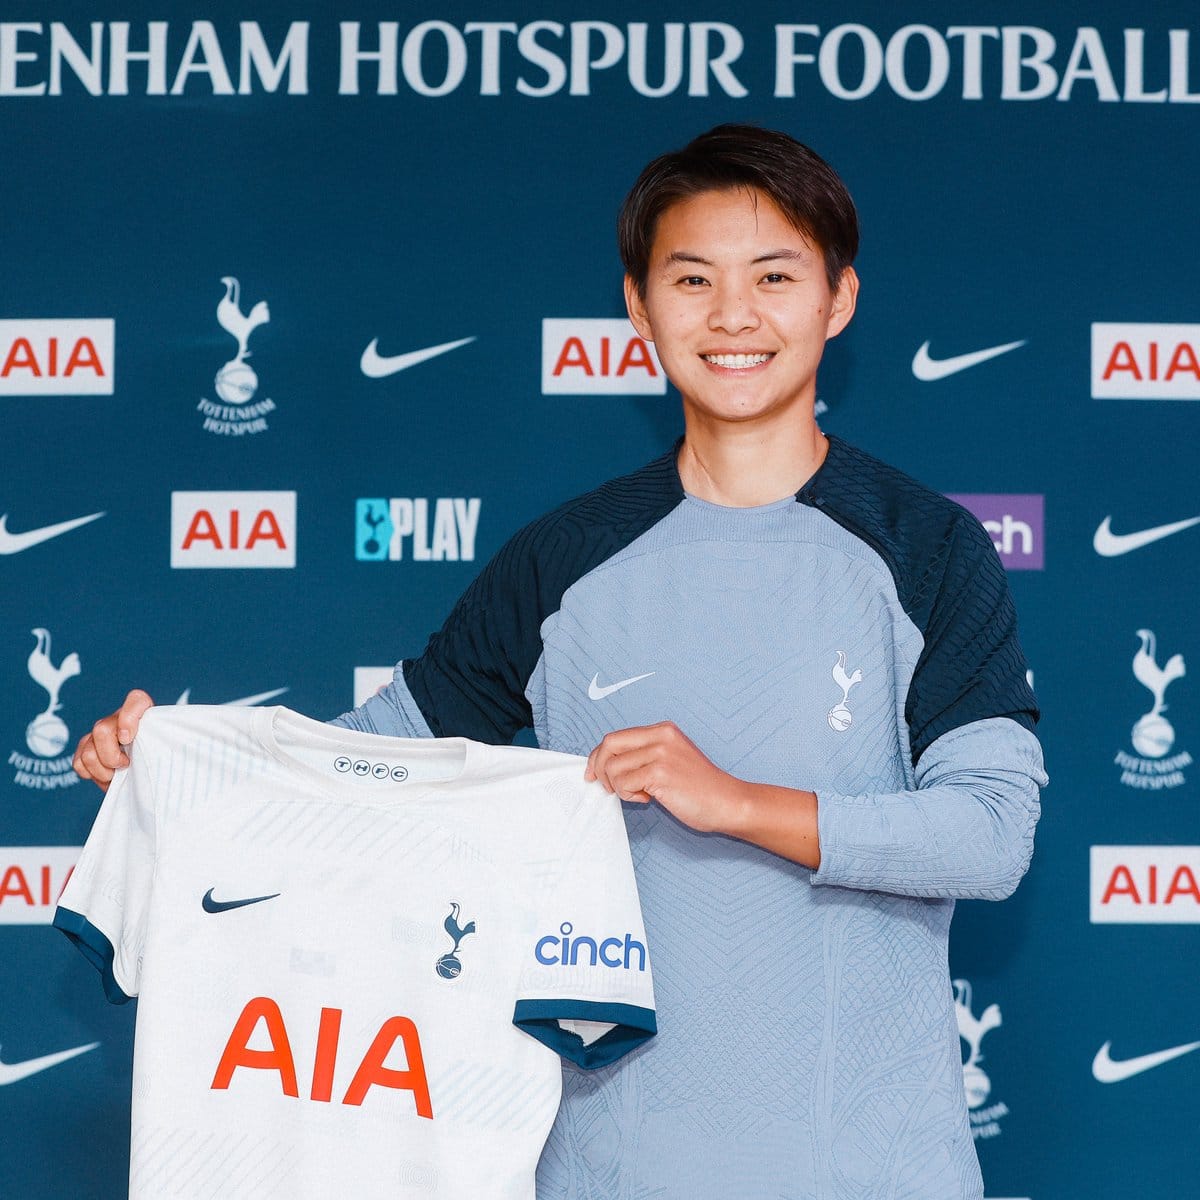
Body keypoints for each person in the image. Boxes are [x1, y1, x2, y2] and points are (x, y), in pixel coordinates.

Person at [75, 124, 1046, 1199]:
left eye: (774, 276)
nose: (733, 316)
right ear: (638, 306)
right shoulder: (564, 559)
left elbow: (990, 834)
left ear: (838, 299)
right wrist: (177, 762)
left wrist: (732, 802)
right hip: (604, 1170)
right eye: (692, 279)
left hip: (870, 1169)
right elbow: (368, 769)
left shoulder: (926, 547)